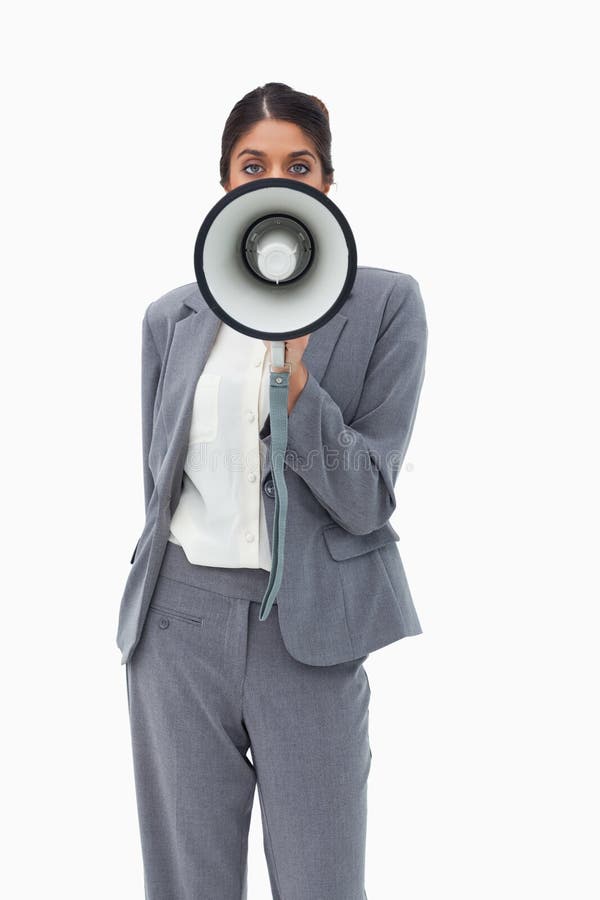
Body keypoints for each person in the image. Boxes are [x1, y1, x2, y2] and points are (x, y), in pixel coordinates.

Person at [119, 81, 428, 900]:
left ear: (325, 184)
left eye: (298, 164)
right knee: (187, 884)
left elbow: (368, 499)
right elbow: (157, 486)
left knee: (323, 880)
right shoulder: (170, 318)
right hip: (178, 629)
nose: (274, 179)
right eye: (252, 165)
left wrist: (296, 383)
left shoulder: (386, 305)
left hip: (311, 633)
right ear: (225, 184)